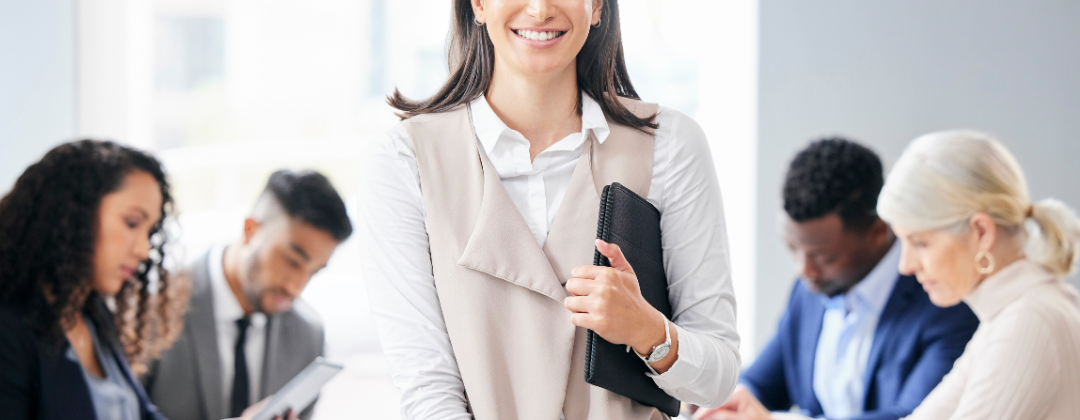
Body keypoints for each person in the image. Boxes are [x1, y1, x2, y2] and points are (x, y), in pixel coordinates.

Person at [358, 0, 741, 418]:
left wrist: (647, 330)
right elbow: (427, 389)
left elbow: (717, 377)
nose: (540, 10)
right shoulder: (406, 159)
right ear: (479, 5)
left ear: (596, 6)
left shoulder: (671, 145)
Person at [695, 138, 979, 420]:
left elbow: (912, 416)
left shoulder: (945, 302)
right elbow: (761, 384)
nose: (804, 270)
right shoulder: (810, 289)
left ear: (878, 232)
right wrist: (718, 403)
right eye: (793, 250)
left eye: (824, 257)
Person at [876, 130, 1080, 420]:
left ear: (981, 232)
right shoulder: (1006, 316)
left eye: (920, 243)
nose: (905, 266)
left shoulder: (1027, 323)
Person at [144, 170, 353, 420]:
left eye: (314, 272)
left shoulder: (308, 335)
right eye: (292, 262)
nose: (296, 287)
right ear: (251, 230)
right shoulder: (153, 306)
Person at [0, 140, 184, 420]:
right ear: (74, 214)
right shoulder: (9, 332)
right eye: (132, 223)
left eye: (150, 231)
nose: (144, 250)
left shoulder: (92, 313)